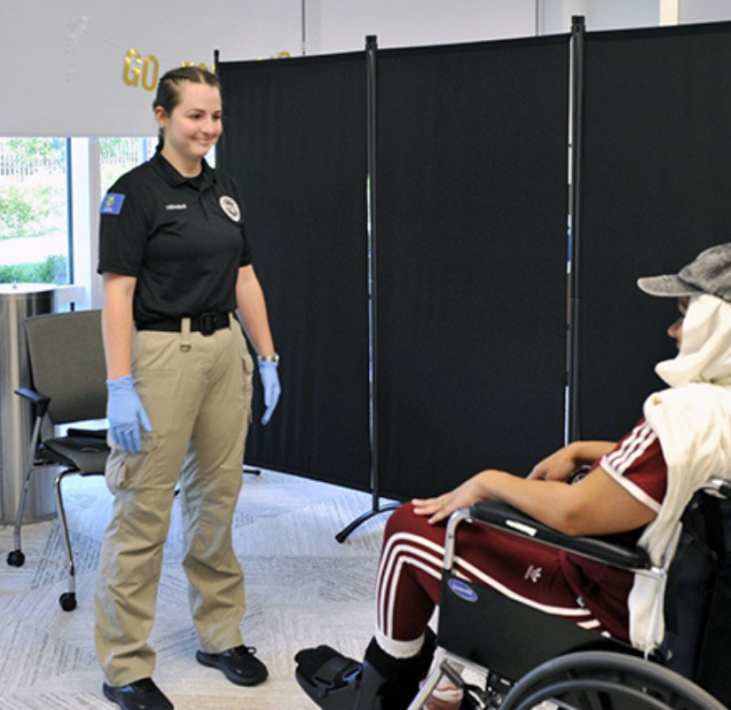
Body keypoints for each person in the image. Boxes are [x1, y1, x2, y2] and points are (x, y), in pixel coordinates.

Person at [295, 243, 731, 710]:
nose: (672, 328)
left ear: (717, 326)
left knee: (408, 529)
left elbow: (575, 513)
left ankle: (376, 695)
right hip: (686, 617)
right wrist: (582, 450)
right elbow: (673, 472)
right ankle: (442, 692)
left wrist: (486, 482)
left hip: (608, 609)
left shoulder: (687, 414)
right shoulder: (717, 412)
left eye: (684, 314)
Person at [95, 66, 281, 710]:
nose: (207, 127)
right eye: (194, 115)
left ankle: (219, 633)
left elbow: (245, 277)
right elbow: (116, 296)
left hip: (224, 351)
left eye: (216, 116)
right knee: (142, 510)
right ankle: (123, 665)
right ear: (161, 116)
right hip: (160, 354)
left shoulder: (224, 189)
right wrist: (120, 383)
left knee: (217, 500)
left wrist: (267, 354)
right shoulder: (132, 194)